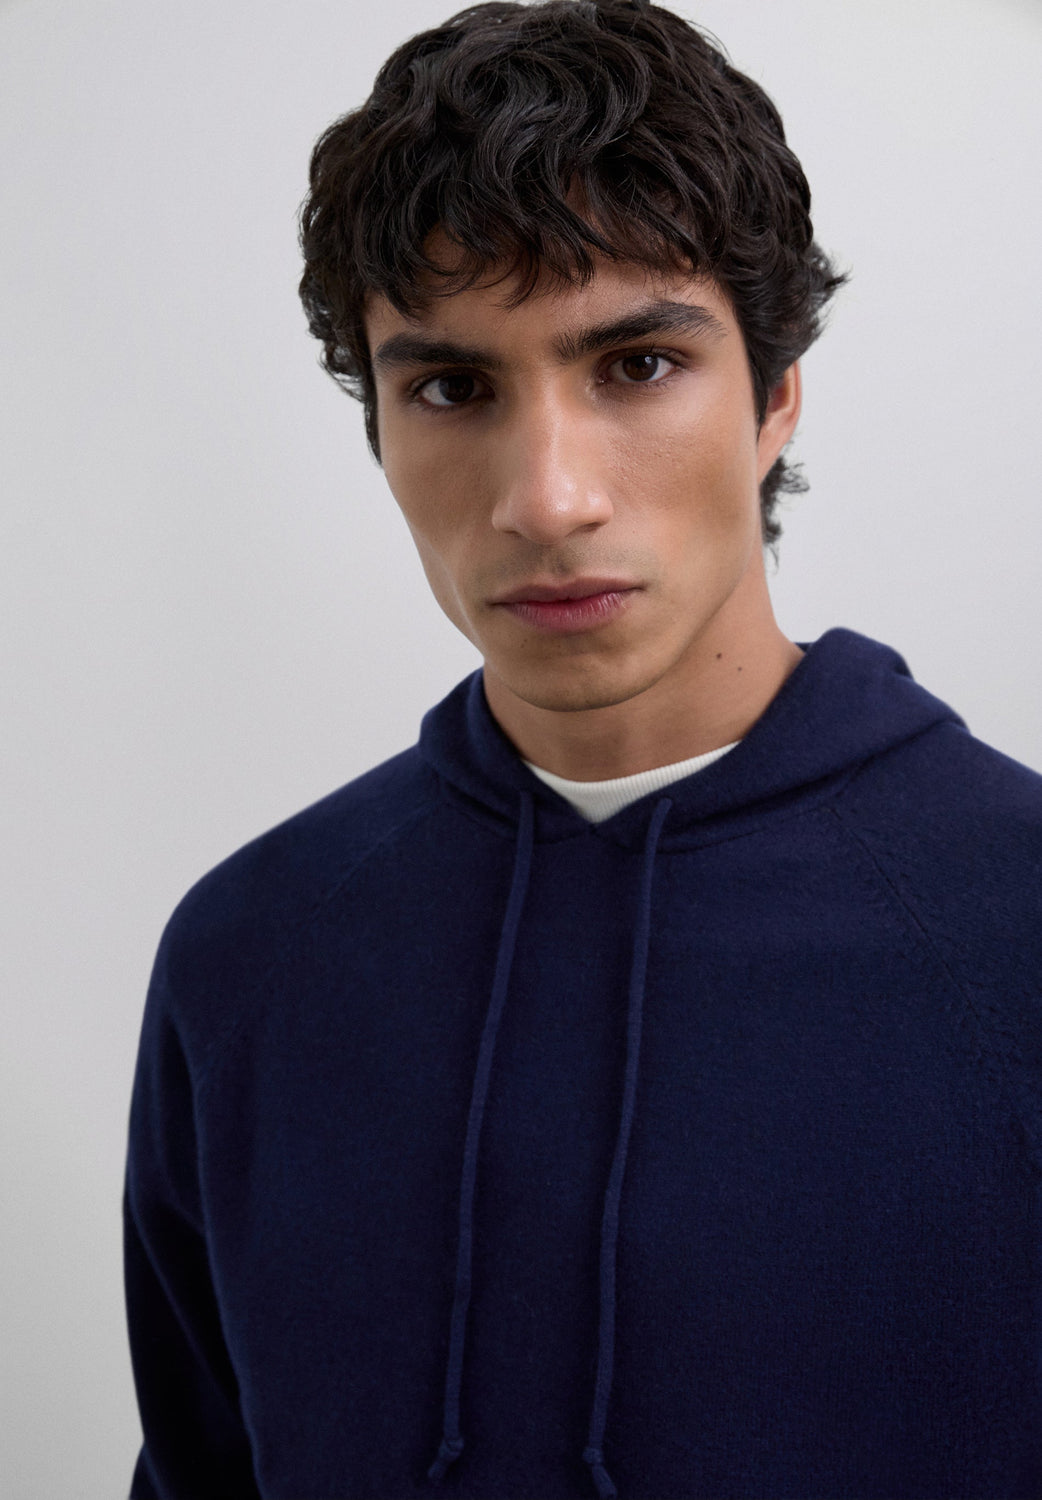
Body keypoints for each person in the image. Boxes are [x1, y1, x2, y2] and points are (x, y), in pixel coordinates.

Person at [122, 1, 1042, 1497]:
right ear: (379, 428)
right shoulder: (249, 956)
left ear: (774, 396)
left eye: (636, 364)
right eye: (452, 388)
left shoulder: (1016, 929)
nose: (547, 498)